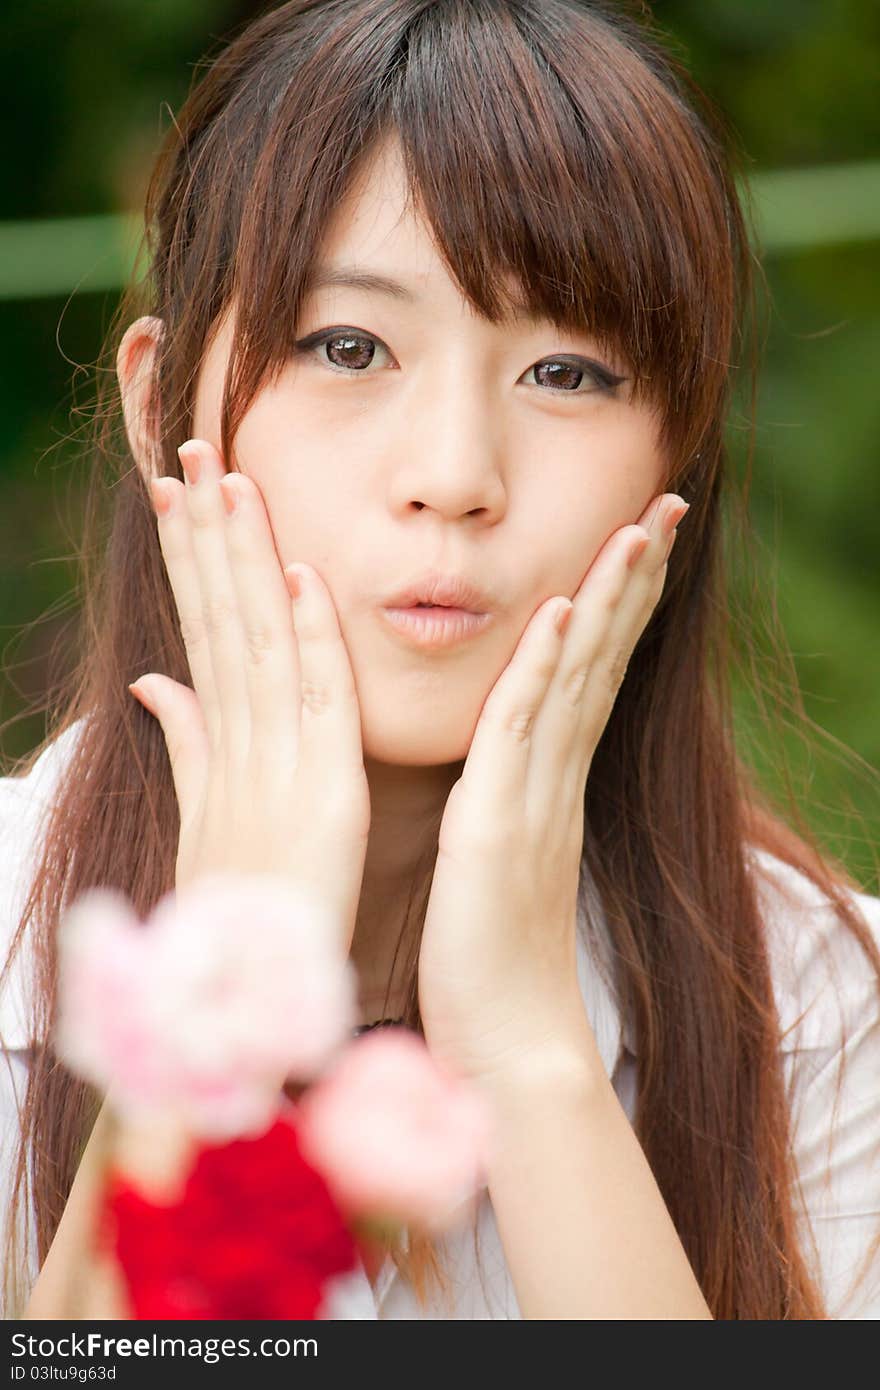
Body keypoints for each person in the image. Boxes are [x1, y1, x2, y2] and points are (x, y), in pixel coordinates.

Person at [2, 0, 879, 1321]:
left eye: (570, 371)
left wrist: (529, 1045)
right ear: (153, 401)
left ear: (678, 463)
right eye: (347, 346)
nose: (457, 477)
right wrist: (225, 990)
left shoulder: (824, 1000)